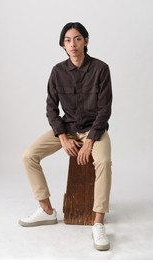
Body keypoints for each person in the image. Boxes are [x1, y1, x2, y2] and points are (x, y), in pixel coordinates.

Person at [19, 22, 112, 251]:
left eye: (78, 39)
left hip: (94, 130)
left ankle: (98, 222)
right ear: (63, 44)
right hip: (67, 128)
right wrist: (62, 136)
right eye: (68, 40)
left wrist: (90, 139)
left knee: (103, 162)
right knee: (29, 156)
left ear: (86, 41)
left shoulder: (101, 69)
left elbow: (105, 109)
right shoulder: (57, 71)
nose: (73, 44)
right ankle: (47, 210)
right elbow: (51, 108)